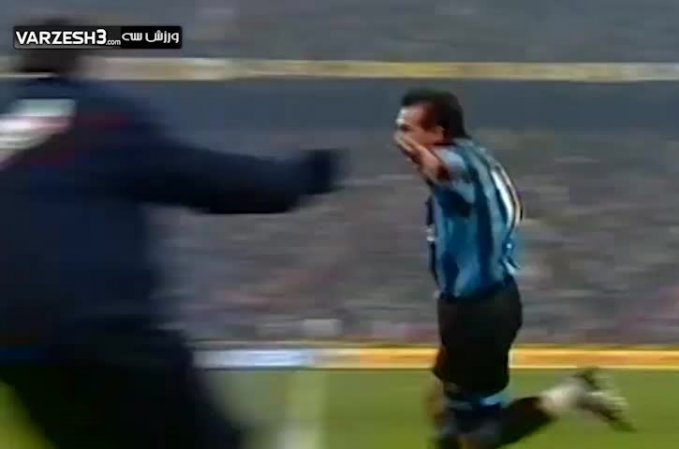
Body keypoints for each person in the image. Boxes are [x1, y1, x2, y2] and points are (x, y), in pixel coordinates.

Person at [0, 17, 345, 449]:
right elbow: (205, 179)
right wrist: (304, 176)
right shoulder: (99, 116)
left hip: (15, 347)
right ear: (82, 60)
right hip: (99, 327)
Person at [393, 88, 633, 449]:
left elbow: (443, 171)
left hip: (479, 315)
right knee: (439, 403)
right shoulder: (474, 156)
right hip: (470, 305)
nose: (400, 136)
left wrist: (421, 158)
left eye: (407, 129)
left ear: (438, 133)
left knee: (477, 438)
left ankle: (577, 391)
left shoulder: (457, 165)